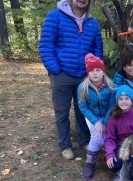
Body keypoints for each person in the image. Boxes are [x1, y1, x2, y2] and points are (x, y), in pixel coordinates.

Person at [39, 0, 103, 160]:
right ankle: (65, 145)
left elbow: (97, 47)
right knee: (61, 112)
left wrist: (93, 70)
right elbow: (46, 45)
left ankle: (83, 141)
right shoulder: (55, 17)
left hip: (84, 75)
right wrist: (55, 69)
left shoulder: (92, 22)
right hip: (61, 74)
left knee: (83, 110)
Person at [77, 53, 116, 179]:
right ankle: (90, 164)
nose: (95, 73)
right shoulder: (83, 87)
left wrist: (104, 121)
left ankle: (107, 157)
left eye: (98, 70)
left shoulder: (110, 87)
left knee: (106, 137)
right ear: (88, 73)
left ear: (103, 72)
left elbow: (111, 106)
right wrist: (96, 121)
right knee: (96, 135)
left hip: (107, 115)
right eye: (92, 70)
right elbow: (83, 106)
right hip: (92, 116)